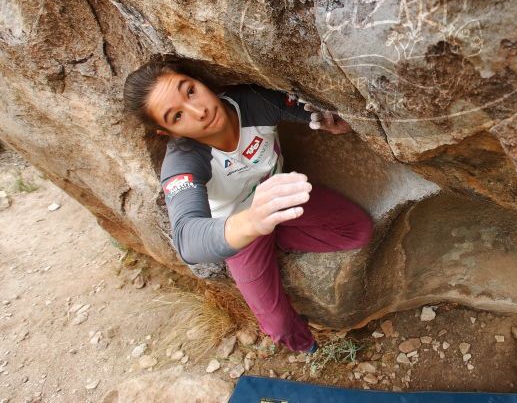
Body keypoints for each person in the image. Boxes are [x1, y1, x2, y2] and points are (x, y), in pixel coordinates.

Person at [122, 60, 374, 353]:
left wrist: (331, 121)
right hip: (240, 230)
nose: (199, 111)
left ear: (201, 82)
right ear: (168, 133)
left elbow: (310, 110)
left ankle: (277, 239)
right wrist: (253, 222)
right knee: (278, 326)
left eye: (190, 91)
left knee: (358, 230)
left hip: (281, 199)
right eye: (177, 116)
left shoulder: (252, 103)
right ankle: (311, 349)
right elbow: (187, 238)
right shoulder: (184, 161)